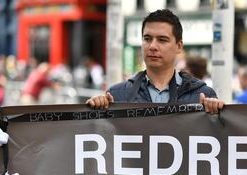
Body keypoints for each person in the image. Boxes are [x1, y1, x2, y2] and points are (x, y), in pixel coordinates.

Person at [86, 9, 224, 114]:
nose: (152, 46)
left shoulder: (203, 95)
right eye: (147, 39)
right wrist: (96, 111)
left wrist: (215, 116)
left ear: (179, 46)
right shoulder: (117, 95)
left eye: (162, 40)